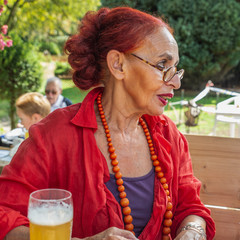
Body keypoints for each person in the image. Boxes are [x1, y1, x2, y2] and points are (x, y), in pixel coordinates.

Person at [0, 7, 215, 240]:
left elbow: (190, 208)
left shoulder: (168, 135)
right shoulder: (53, 135)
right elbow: (5, 213)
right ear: (118, 65)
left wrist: (192, 231)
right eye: (163, 65)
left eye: (176, 70)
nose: (175, 82)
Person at [9, 92, 51, 157]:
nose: (21, 123)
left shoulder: (42, 142)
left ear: (35, 118)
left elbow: (15, 153)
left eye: (22, 119)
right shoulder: (47, 133)